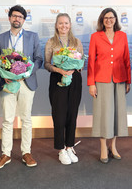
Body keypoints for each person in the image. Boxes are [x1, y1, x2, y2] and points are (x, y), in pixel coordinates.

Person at [0, 5, 43, 169]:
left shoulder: (33, 37)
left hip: (26, 83)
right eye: (14, 16)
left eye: (20, 17)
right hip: (8, 84)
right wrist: (4, 76)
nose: (17, 19)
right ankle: (5, 153)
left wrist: (28, 73)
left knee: (26, 119)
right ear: (9, 18)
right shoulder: (1, 38)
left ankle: (26, 153)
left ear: (23, 20)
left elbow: (39, 59)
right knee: (7, 119)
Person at [87, 7, 131, 164]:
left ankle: (113, 147)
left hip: (119, 79)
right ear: (102, 20)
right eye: (106, 18)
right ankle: (103, 148)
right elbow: (91, 61)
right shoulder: (95, 36)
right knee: (103, 114)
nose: (109, 20)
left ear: (115, 19)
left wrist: (128, 81)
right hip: (101, 80)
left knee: (117, 114)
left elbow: (126, 59)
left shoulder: (122, 36)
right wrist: (91, 83)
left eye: (111, 17)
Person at [44, 13, 83, 165]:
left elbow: (81, 61)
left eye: (66, 23)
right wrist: (60, 70)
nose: (63, 26)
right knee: (59, 115)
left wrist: (75, 68)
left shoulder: (76, 41)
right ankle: (60, 149)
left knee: (72, 114)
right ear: (56, 25)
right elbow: (46, 64)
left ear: (70, 25)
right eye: (60, 23)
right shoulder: (51, 42)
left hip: (74, 80)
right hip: (57, 79)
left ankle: (69, 146)